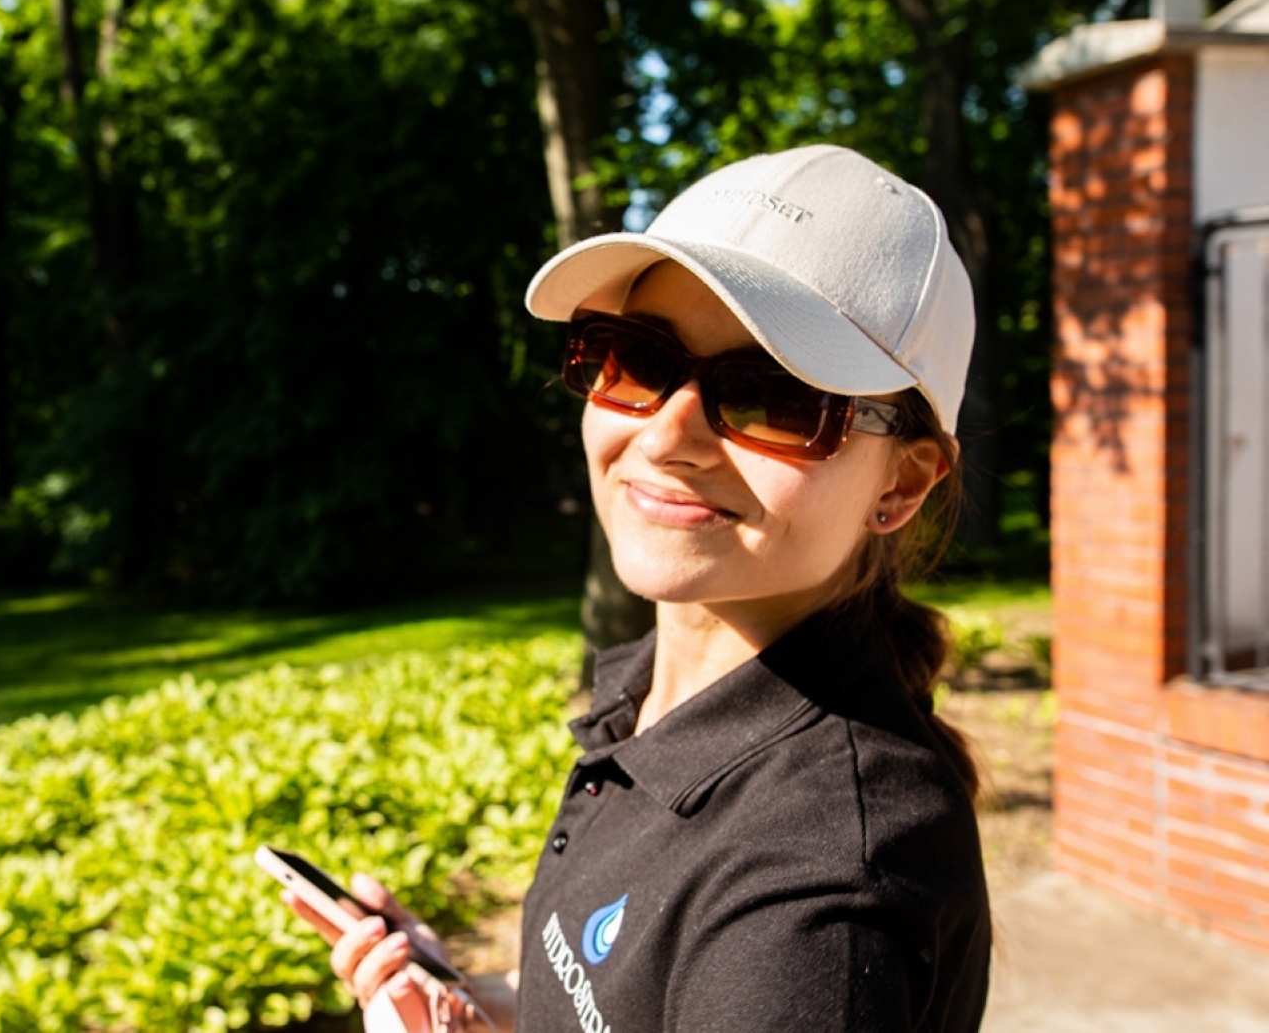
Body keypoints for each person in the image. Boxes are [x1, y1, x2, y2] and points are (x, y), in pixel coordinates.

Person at [283, 143, 992, 1031]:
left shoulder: (817, 904)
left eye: (773, 396)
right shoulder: (654, 702)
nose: (666, 436)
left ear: (901, 483)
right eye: (636, 360)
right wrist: (482, 1004)